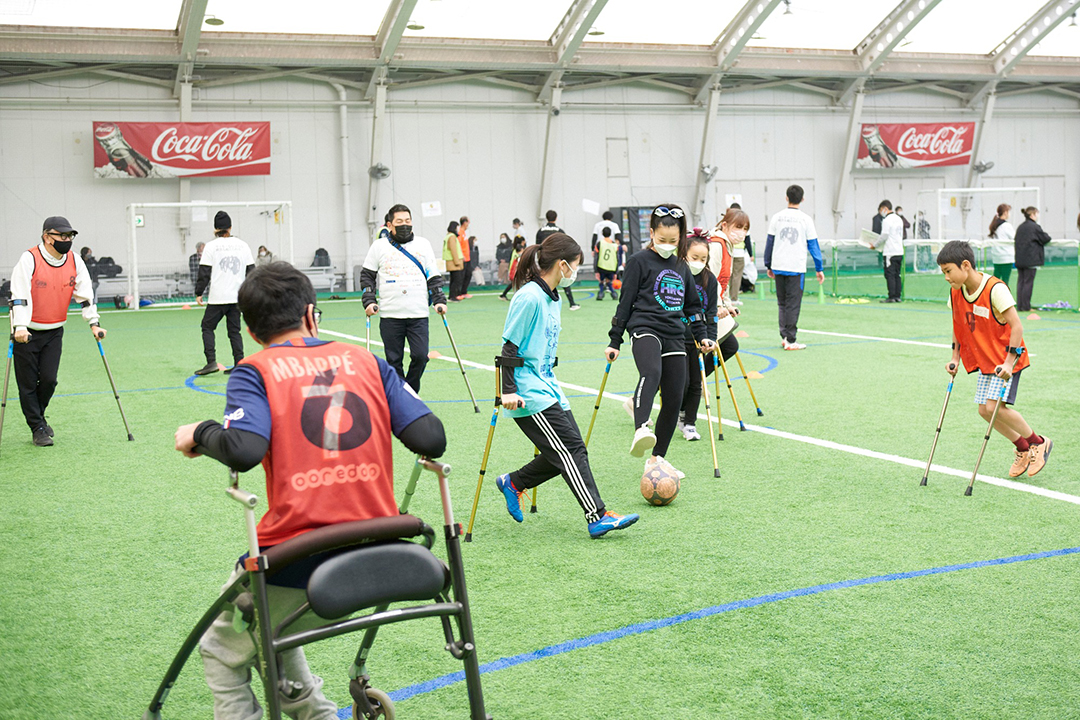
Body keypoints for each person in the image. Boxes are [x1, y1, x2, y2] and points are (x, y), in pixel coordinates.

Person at [173, 261, 446, 720]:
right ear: (311, 314)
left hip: (297, 565)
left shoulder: (254, 370)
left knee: (222, 646)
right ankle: (316, 713)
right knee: (272, 631)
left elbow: (243, 449)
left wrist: (199, 432)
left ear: (251, 330)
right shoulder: (366, 361)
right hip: (382, 552)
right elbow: (431, 439)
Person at [494, 233, 639, 538]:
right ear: (562, 265)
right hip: (527, 390)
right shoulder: (529, 296)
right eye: (574, 266)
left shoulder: (552, 296)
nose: (575, 272)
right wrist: (507, 391)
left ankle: (514, 482)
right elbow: (510, 347)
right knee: (571, 450)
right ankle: (597, 515)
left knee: (568, 449)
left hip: (547, 383)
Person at [606, 203, 715, 479]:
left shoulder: (681, 265)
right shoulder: (638, 262)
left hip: (674, 334)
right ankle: (642, 427)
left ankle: (657, 459)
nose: (667, 244)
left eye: (673, 240)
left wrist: (702, 335)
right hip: (645, 329)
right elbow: (625, 303)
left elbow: (692, 306)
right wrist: (615, 340)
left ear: (682, 238)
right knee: (651, 372)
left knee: (675, 394)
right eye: (661, 239)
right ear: (652, 233)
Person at [937, 241, 1051, 478]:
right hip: (987, 360)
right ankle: (1021, 447)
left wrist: (1009, 362)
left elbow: (1017, 326)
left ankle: (1038, 442)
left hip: (1007, 358)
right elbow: (958, 325)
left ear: (965, 265)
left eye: (948, 271)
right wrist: (954, 357)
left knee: (994, 407)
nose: (946, 277)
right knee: (984, 411)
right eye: (944, 272)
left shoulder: (995, 288)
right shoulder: (956, 292)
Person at [8, 216, 105, 447]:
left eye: (70, 235)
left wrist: (94, 322)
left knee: (49, 380)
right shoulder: (29, 258)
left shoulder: (75, 261)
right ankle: (37, 427)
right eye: (62, 235)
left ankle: (39, 418)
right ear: (46, 237)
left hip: (54, 330)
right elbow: (19, 294)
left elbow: (85, 294)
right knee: (28, 383)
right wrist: (20, 326)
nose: (67, 239)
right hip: (27, 332)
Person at [361, 203, 448, 393]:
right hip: (391, 315)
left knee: (420, 356)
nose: (405, 225)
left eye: (408, 221)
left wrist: (439, 299)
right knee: (394, 361)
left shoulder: (423, 244)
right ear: (389, 225)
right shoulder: (379, 246)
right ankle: (401, 398)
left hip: (418, 313)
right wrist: (369, 299)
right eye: (399, 221)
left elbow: (433, 275)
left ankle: (409, 391)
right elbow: (367, 275)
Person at [678, 228, 736, 442]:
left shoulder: (709, 280)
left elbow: (711, 313)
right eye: (694, 257)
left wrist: (710, 338)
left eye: (703, 258)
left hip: (698, 337)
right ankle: (677, 414)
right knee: (681, 382)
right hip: (676, 337)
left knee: (696, 382)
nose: (699, 262)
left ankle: (689, 422)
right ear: (684, 255)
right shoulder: (676, 275)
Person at [194, 211, 255, 376]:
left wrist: (199, 292)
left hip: (218, 297)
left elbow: (204, 272)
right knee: (234, 331)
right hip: (237, 297)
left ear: (215, 229)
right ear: (230, 227)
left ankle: (211, 362)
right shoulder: (243, 245)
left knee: (207, 326)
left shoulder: (211, 246)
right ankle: (239, 363)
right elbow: (252, 271)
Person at [764, 185, 824, 350]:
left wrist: (768, 264)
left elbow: (770, 241)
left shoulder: (777, 217)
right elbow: (813, 245)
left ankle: (784, 336)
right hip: (795, 267)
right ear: (802, 199)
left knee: (782, 303)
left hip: (778, 265)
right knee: (793, 304)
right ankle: (790, 340)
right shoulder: (806, 219)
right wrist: (819, 268)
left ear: (786, 197)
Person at [537, 210, 579, 310]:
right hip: (557, 260)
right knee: (563, 278)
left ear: (547, 218)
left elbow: (538, 246)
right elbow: (565, 247)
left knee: (544, 280)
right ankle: (572, 303)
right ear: (556, 218)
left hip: (545, 260)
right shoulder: (559, 231)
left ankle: (543, 303)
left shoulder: (541, 231)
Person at [1014, 206, 1052, 313]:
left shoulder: (1020, 227)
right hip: (1030, 259)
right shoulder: (1035, 227)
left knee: (1021, 282)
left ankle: (1020, 305)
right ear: (1032, 215)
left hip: (1020, 259)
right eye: (1036, 213)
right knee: (1028, 283)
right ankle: (1026, 306)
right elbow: (1046, 238)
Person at [877, 199, 904, 303]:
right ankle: (897, 296)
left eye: (880, 210)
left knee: (890, 274)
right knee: (897, 274)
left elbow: (884, 235)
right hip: (899, 251)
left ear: (885, 208)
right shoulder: (899, 219)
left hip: (890, 251)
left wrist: (875, 244)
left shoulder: (887, 220)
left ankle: (891, 296)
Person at [726, 202, 753, 304]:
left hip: (728, 251)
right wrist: (751, 254)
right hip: (739, 253)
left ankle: (725, 298)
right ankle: (734, 298)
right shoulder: (743, 222)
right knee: (737, 276)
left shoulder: (727, 222)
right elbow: (747, 241)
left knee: (727, 275)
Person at [989, 204, 1016, 285]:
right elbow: (1014, 237)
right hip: (1006, 257)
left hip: (996, 257)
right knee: (1005, 281)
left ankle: (992, 296)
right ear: (1005, 212)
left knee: (995, 281)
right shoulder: (1006, 226)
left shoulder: (994, 225)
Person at [594, 226, 620, 301]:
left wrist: (596, 270)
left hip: (601, 266)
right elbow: (617, 258)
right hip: (611, 267)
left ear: (602, 233)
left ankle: (601, 293)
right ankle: (613, 293)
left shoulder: (600, 243)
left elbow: (596, 257)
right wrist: (616, 271)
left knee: (601, 281)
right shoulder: (615, 245)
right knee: (609, 281)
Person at [498, 236, 527, 301]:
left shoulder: (515, 250)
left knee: (514, 284)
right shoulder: (517, 253)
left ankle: (504, 295)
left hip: (513, 270)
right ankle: (507, 295)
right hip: (515, 271)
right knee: (516, 284)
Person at [443, 220, 465, 302]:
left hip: (450, 261)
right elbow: (453, 250)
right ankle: (453, 296)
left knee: (453, 280)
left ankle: (452, 295)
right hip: (454, 262)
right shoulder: (452, 237)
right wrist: (457, 262)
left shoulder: (448, 236)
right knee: (456, 280)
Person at [456, 216, 472, 299]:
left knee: (468, 274)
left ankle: (464, 292)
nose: (468, 224)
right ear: (464, 222)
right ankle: (459, 293)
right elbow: (458, 245)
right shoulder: (460, 232)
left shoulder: (464, 233)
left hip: (468, 258)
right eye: (468, 222)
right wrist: (462, 256)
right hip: (463, 258)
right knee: (461, 276)